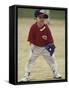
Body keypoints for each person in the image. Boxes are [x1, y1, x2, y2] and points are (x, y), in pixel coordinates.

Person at [22, 9, 61, 81]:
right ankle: (26, 76)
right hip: (36, 47)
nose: (42, 19)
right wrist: (32, 47)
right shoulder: (33, 27)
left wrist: (51, 49)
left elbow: (51, 39)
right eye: (40, 17)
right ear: (35, 18)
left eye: (44, 17)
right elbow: (31, 39)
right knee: (30, 60)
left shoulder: (46, 28)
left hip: (46, 47)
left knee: (52, 60)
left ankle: (56, 74)